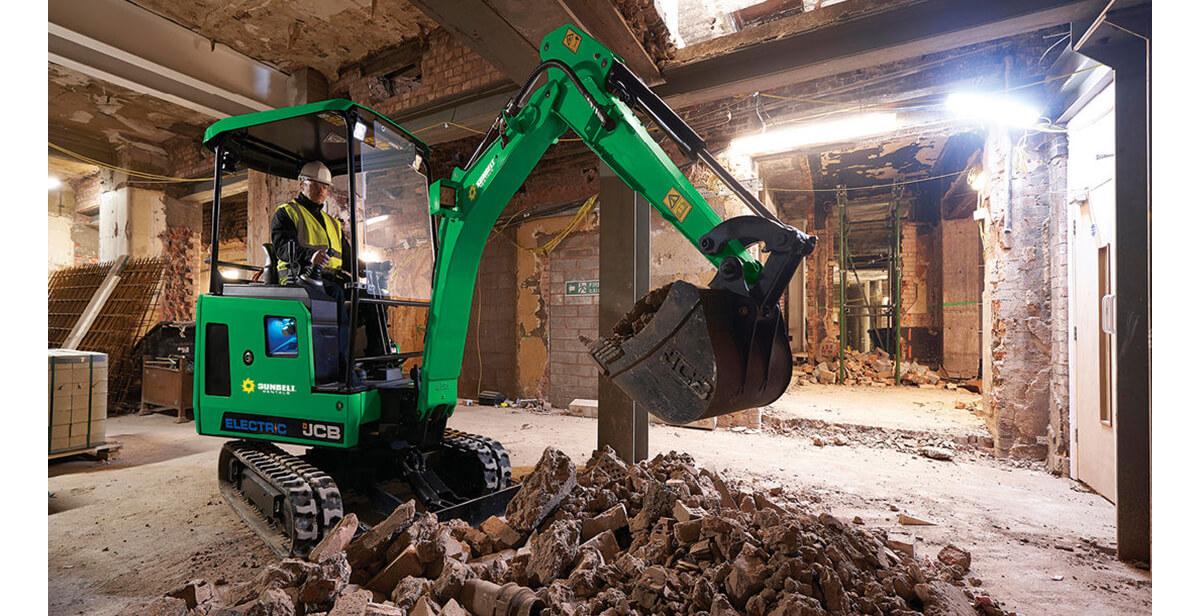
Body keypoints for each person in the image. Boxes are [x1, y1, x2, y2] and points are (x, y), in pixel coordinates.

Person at [270, 161, 351, 285]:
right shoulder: (287, 212)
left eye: (325, 186)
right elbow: (283, 248)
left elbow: (347, 257)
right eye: (315, 185)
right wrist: (311, 255)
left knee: (366, 296)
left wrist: (368, 267)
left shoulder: (333, 223)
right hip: (299, 275)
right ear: (302, 185)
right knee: (336, 294)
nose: (321, 190)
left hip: (329, 278)